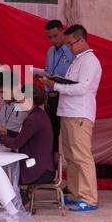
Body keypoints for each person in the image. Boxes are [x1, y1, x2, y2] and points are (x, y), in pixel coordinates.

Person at [43, 24, 102, 212]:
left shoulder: (90, 61)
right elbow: (72, 84)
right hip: (68, 112)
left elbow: (82, 88)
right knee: (71, 157)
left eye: (71, 43)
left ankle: (89, 198)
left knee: (82, 156)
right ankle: (76, 194)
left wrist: (57, 86)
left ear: (82, 40)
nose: (68, 47)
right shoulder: (77, 60)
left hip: (79, 114)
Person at [0, 84, 54, 209]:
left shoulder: (33, 119)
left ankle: (24, 201)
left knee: (4, 171)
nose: (17, 101)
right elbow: (25, 137)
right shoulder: (38, 115)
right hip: (41, 165)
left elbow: (17, 143)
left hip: (38, 169)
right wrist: (8, 132)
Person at [40, 20, 74, 154]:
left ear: (62, 31)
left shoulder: (71, 50)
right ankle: (52, 169)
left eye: (55, 36)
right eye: (49, 37)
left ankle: (67, 167)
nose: (52, 40)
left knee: (68, 135)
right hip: (51, 97)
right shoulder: (50, 51)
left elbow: (74, 76)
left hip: (65, 97)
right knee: (51, 135)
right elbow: (48, 71)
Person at [0, 71, 27, 137]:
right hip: (3, 144)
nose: (2, 96)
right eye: (0, 92)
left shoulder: (27, 106)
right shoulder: (4, 104)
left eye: (4, 92)